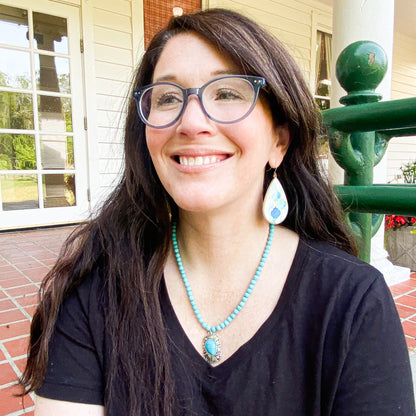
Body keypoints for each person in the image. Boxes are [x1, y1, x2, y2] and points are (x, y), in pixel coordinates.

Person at [20, 8, 414, 416]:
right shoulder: (93, 291)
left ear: (279, 142)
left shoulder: (352, 302)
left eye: (227, 93)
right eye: (169, 97)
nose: (191, 122)